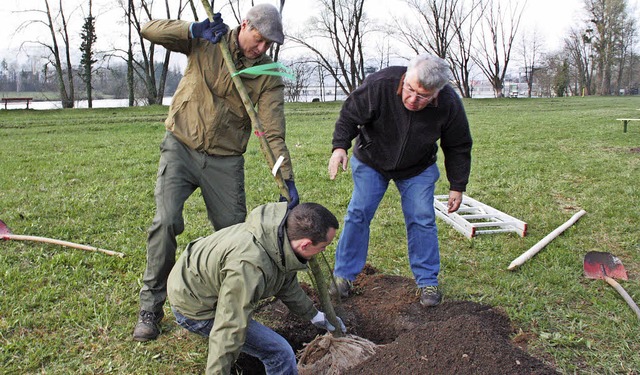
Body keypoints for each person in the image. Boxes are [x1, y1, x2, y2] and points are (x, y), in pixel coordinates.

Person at [133, 4, 299, 341]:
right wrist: (192, 29)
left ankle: (230, 304)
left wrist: (287, 180)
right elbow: (149, 30)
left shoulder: (269, 74)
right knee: (165, 223)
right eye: (260, 39)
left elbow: (272, 132)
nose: (262, 48)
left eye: (269, 44)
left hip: (225, 160)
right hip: (181, 145)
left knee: (239, 235)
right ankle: (150, 306)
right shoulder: (208, 41)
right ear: (245, 25)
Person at [327, 54, 473, 307]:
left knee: (421, 217)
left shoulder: (449, 102)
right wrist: (340, 146)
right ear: (406, 77)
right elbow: (350, 114)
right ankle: (343, 277)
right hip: (372, 159)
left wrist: (457, 185)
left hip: (418, 167)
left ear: (437, 93)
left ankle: (427, 281)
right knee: (359, 212)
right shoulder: (380, 84)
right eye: (410, 89)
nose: (412, 99)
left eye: (423, 96)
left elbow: (458, 145)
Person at [167, 202, 345, 374]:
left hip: (198, 279)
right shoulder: (249, 268)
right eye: (323, 247)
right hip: (194, 305)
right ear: (305, 244)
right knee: (280, 353)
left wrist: (314, 315)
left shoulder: (279, 236)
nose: (323, 251)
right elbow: (229, 327)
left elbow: (286, 283)